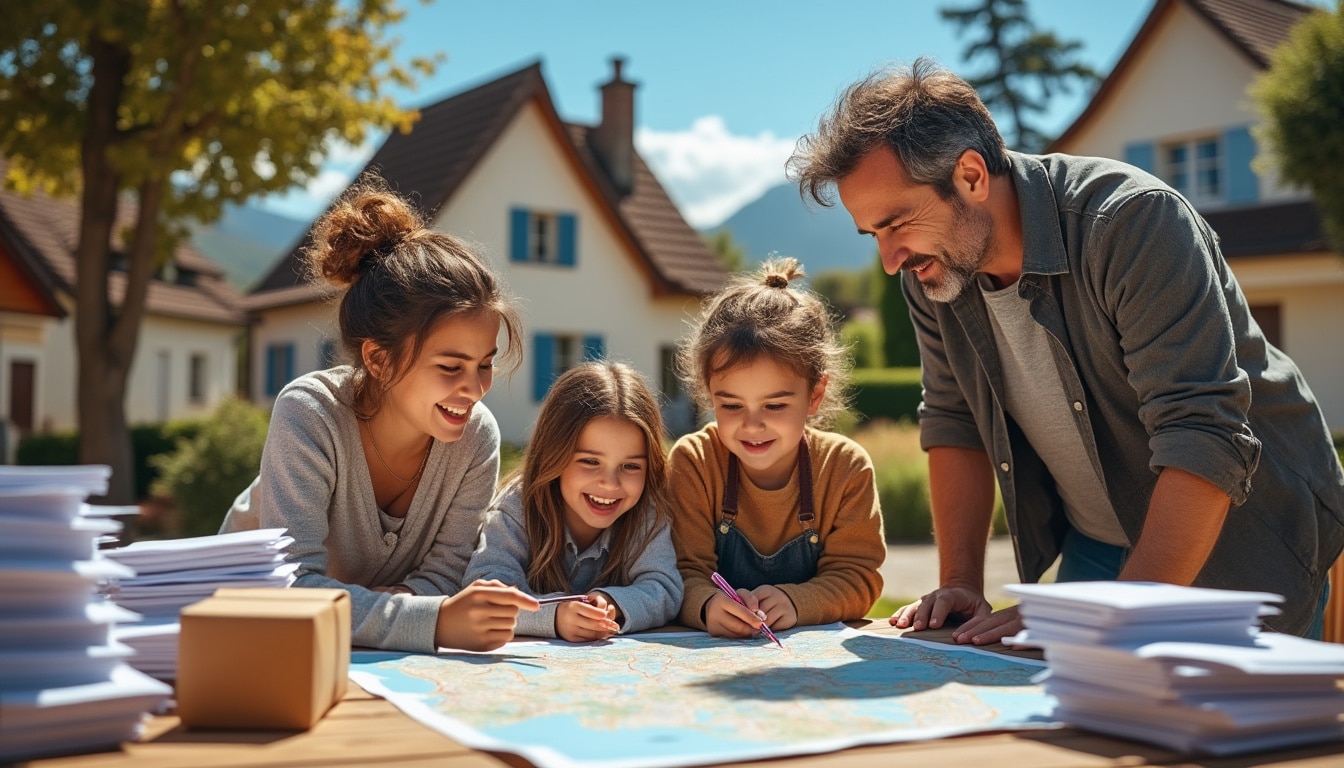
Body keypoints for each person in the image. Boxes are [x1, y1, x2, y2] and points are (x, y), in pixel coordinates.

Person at [786, 58, 1344, 643]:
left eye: (897, 223)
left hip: (1241, 539)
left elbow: (1202, 432)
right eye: (873, 234)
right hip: (1098, 541)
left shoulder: (1131, 223)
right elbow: (955, 419)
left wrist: (1107, 617)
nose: (890, 260)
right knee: (1066, 701)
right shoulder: (934, 274)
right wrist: (960, 582)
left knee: (1210, 707)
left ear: (971, 176)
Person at [220, 175, 539, 653]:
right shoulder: (309, 413)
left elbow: (447, 571)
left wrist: (407, 599)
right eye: (450, 367)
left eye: (485, 364)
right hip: (239, 632)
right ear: (378, 359)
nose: (474, 389)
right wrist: (430, 620)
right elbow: (291, 586)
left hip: (352, 652)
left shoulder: (477, 439)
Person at [669, 258, 886, 640]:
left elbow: (858, 576)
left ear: (814, 395)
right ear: (708, 393)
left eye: (774, 405)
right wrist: (707, 605)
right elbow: (680, 573)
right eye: (731, 405)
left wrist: (796, 602)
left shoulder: (844, 467)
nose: (752, 425)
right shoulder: (695, 462)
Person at [464, 361, 683, 641]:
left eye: (630, 466)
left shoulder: (646, 514)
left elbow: (664, 588)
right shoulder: (517, 507)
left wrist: (613, 604)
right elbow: (485, 587)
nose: (610, 483)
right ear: (553, 455)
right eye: (590, 461)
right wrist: (554, 616)